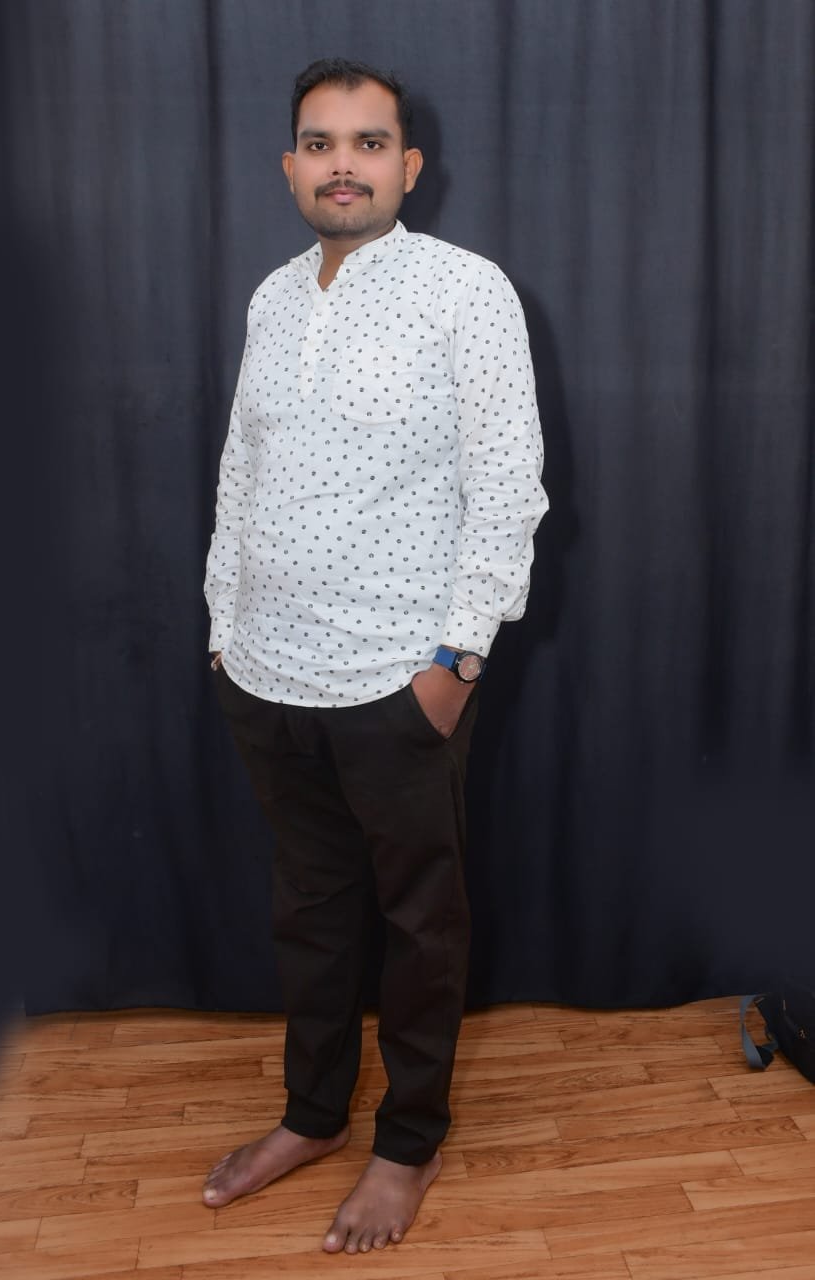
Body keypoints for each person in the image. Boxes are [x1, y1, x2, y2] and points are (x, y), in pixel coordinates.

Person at [202, 57, 548, 1254]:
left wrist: (453, 661)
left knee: (418, 925)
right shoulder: (271, 297)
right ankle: (310, 1114)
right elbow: (242, 470)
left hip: (398, 681)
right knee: (310, 911)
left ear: (407, 165)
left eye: (365, 143)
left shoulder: (465, 291)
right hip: (264, 673)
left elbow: (507, 490)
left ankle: (407, 1139)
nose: (340, 164)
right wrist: (222, 624)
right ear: (289, 166)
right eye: (318, 143)